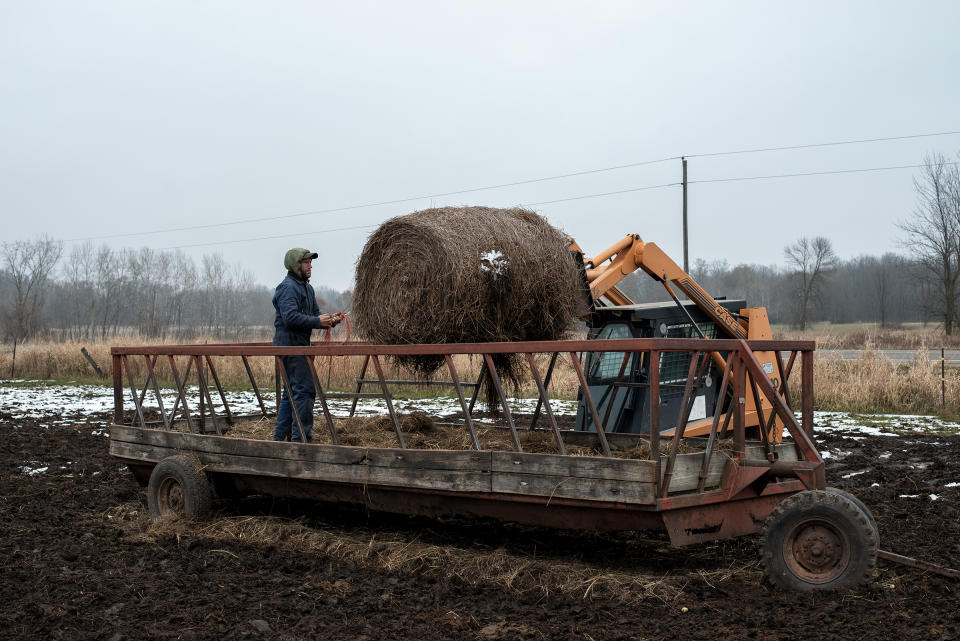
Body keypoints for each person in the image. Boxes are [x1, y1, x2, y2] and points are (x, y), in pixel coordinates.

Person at [272, 247, 344, 443]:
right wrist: (316, 322)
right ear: (296, 265)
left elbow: (313, 315)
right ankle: (301, 439)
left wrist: (330, 320)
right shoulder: (288, 287)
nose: (310, 266)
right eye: (306, 262)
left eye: (311, 262)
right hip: (289, 346)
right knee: (304, 390)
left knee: (291, 392)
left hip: (298, 346)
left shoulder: (307, 288)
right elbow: (290, 317)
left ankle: (280, 439)